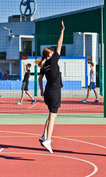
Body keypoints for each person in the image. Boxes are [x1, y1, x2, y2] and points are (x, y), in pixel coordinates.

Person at [35, 21, 65, 153]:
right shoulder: (52, 60)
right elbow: (59, 44)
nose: (54, 54)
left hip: (47, 92)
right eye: (52, 53)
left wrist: (41, 90)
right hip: (54, 92)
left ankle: (43, 135)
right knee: (53, 116)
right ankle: (48, 139)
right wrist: (62, 31)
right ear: (49, 55)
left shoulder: (44, 65)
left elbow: (39, 78)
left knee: (50, 115)